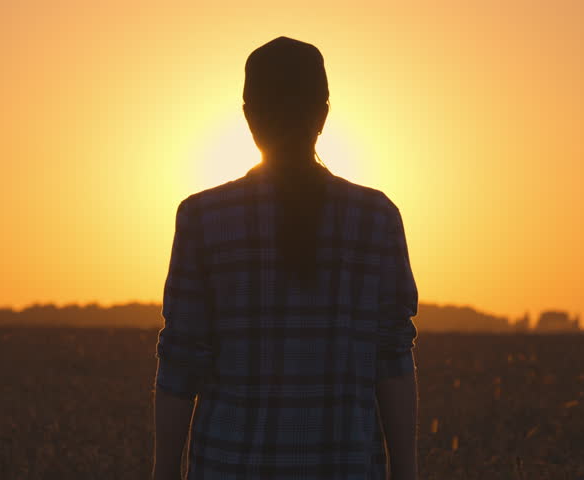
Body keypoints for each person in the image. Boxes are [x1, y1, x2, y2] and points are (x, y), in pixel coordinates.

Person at [153, 36, 419, 480]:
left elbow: (181, 360)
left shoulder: (202, 218)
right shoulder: (377, 218)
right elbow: (392, 360)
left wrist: (164, 470)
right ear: (323, 114)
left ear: (249, 116)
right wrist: (406, 471)